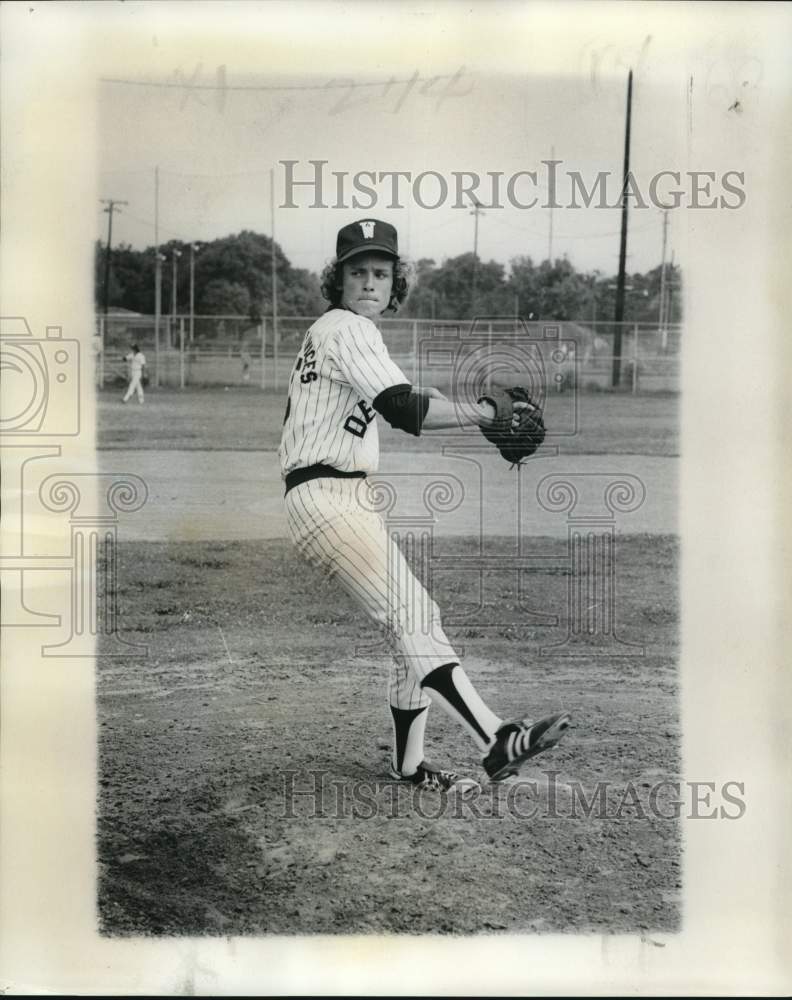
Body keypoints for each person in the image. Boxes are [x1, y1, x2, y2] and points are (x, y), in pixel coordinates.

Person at [278, 219, 570, 791]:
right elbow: (404, 409)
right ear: (336, 281)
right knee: (414, 618)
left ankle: (410, 767)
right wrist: (487, 413)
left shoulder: (341, 333)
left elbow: (413, 397)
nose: (368, 282)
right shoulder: (348, 328)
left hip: (334, 498)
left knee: (409, 628)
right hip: (327, 497)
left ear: (395, 283)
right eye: (356, 272)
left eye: (380, 273)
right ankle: (495, 738)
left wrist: (465, 406)